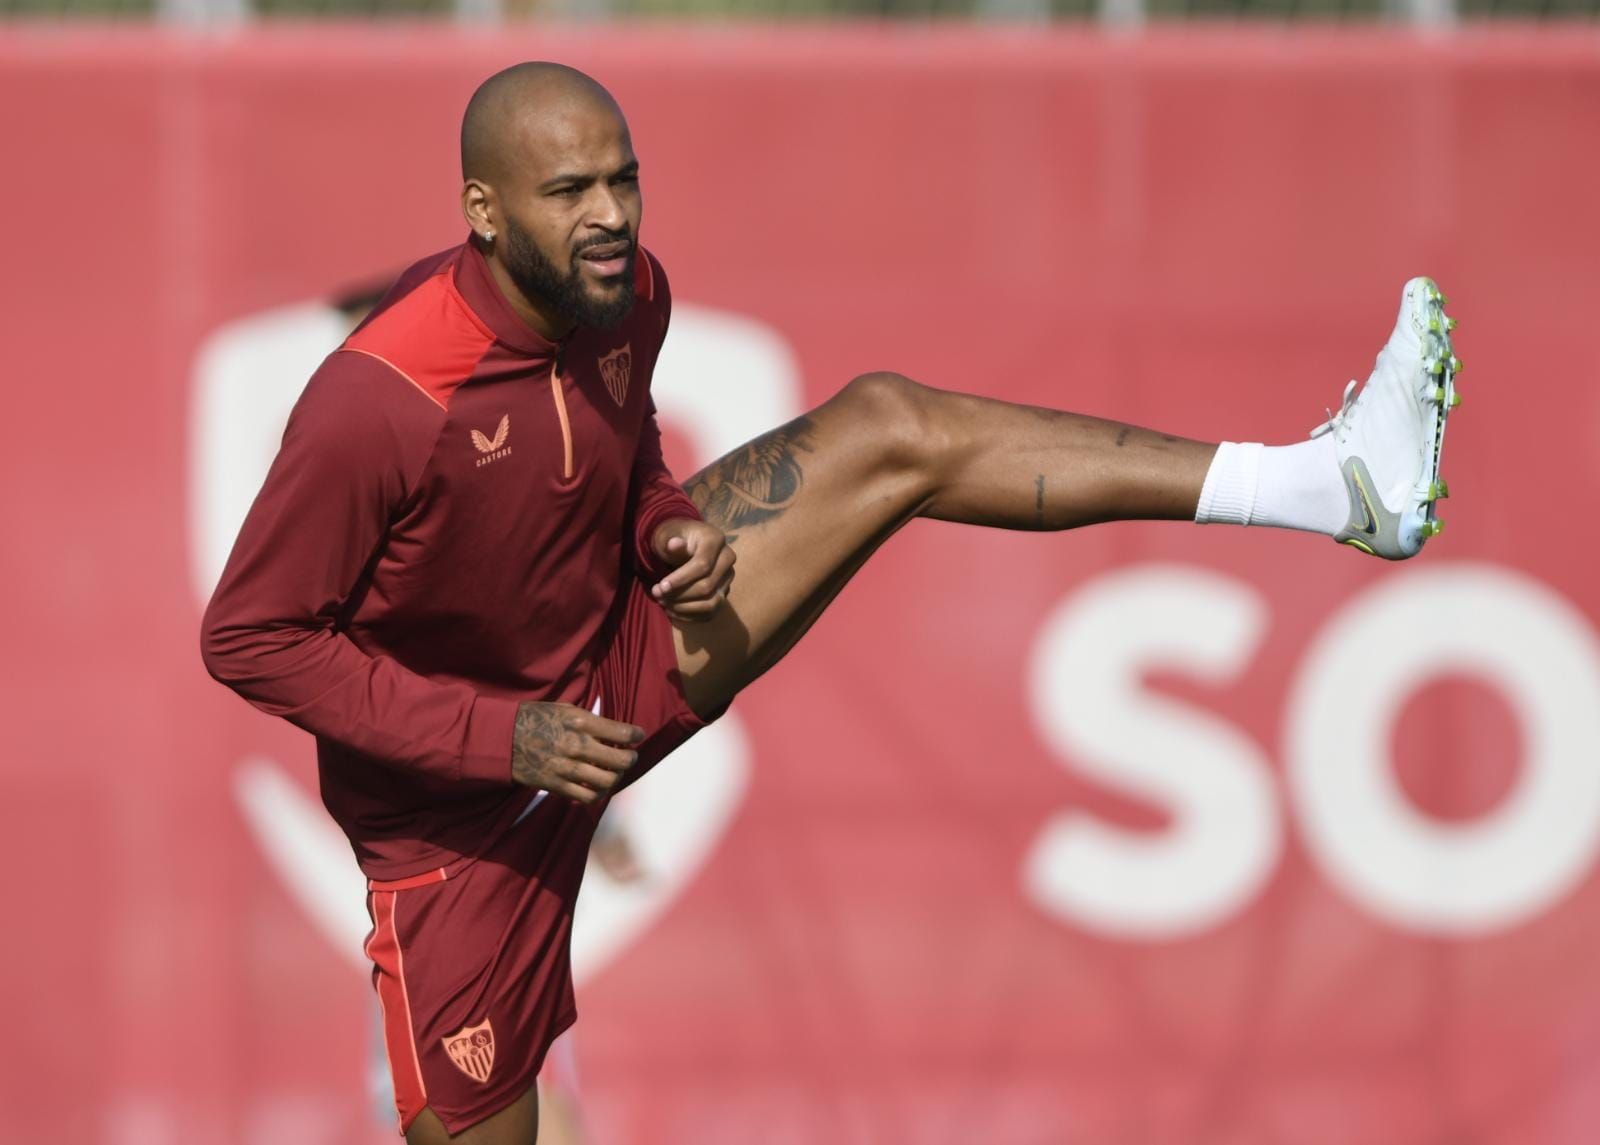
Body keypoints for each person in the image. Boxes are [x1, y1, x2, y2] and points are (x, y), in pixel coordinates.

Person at [200, 61, 1460, 1145]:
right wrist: (504, 737)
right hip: (454, 826)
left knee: (890, 426)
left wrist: (661, 522)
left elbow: (622, 447)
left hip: (614, 667)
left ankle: (1331, 481)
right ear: (481, 209)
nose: (608, 215)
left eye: (622, 178)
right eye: (568, 190)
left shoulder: (629, 294)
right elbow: (248, 636)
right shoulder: (376, 397)